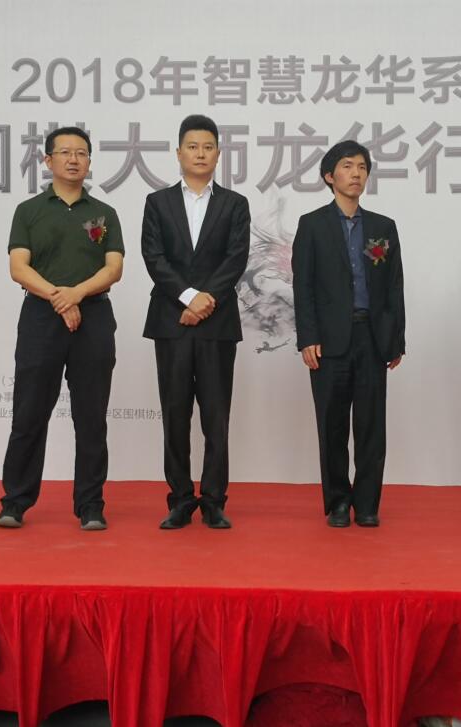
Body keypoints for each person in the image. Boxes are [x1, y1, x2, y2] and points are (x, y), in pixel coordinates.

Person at [0, 126, 124, 530]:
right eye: (65, 152)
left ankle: (91, 505)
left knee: (91, 418)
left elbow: (113, 268)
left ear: (89, 162)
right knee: (29, 413)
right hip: (40, 318)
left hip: (94, 318)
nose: (73, 159)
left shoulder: (104, 213)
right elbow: (19, 267)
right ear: (47, 160)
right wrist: (58, 298)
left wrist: (76, 295)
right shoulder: (29, 210)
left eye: (81, 153)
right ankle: (15, 501)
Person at [141, 114, 250, 530]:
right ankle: (181, 499)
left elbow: (235, 258)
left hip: (217, 324)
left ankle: (214, 500)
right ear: (179, 153)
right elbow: (154, 257)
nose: (200, 154)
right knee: (175, 414)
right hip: (171, 321)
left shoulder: (235, 204)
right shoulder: (158, 203)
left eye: (207, 147)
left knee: (216, 417)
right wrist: (188, 297)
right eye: (192, 146)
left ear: (218, 154)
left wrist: (207, 300)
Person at [292, 140, 406, 528]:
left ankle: (368, 504)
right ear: (329, 176)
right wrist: (308, 337)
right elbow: (303, 286)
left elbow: (394, 286)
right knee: (333, 426)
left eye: (361, 167)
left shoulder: (382, 227)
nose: (356, 173)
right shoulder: (312, 225)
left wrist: (396, 339)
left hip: (372, 338)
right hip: (328, 341)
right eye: (347, 166)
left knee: (372, 426)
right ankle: (338, 502)